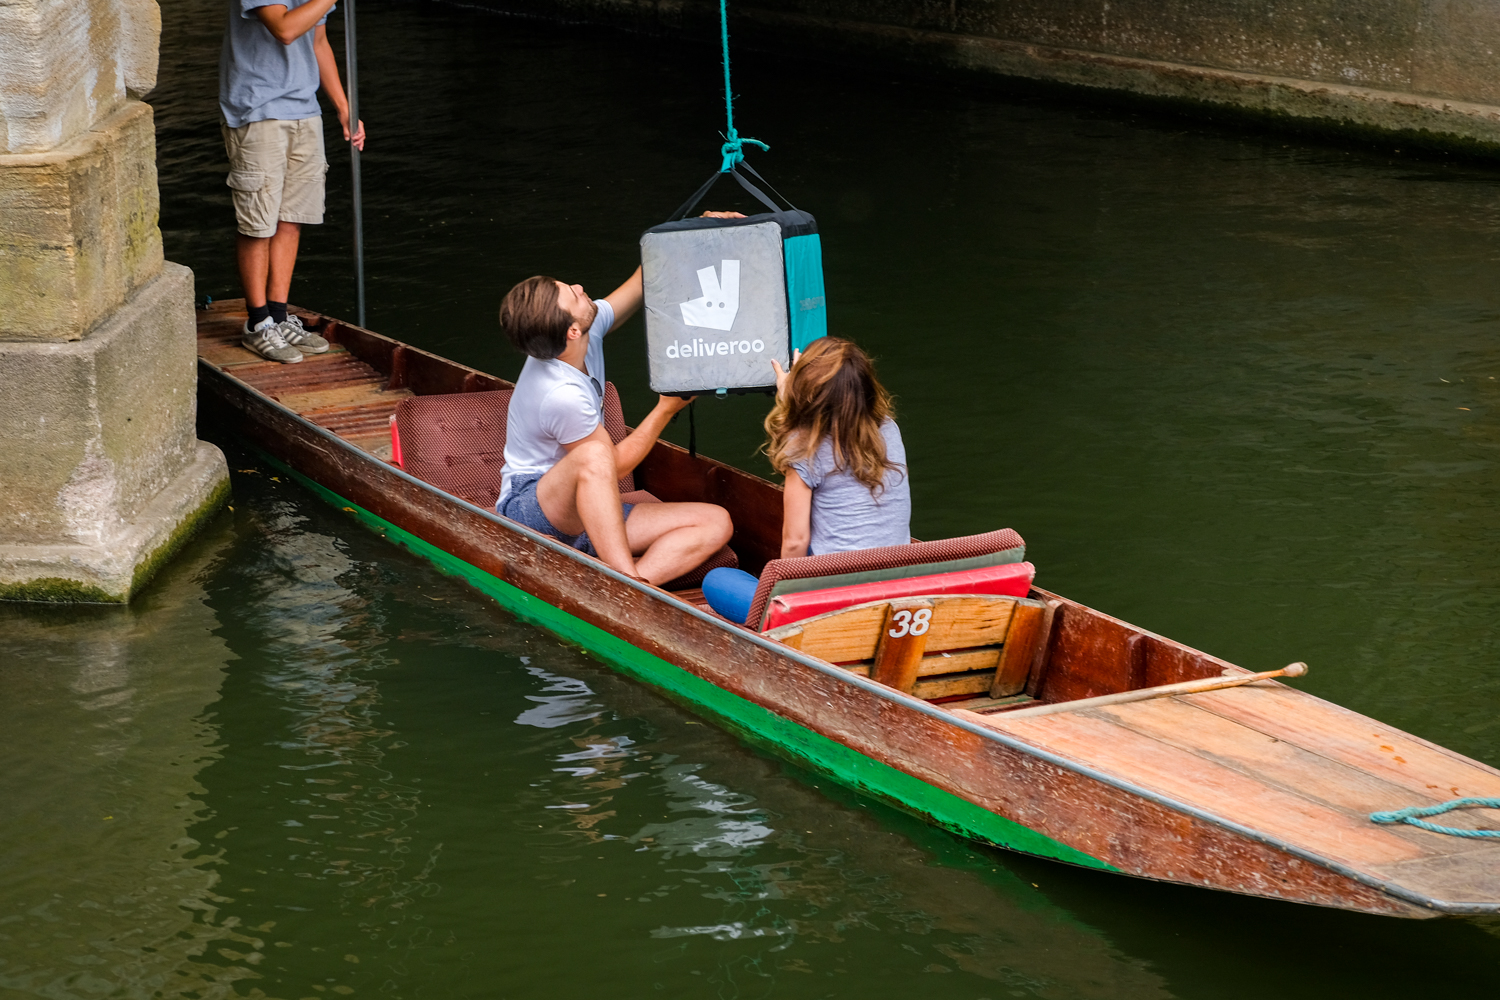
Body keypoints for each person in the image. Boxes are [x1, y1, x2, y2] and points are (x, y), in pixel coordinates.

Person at [495, 267, 734, 585]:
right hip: (534, 511)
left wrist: (697, 229)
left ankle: (624, 588)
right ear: (572, 332)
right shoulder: (560, 394)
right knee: (594, 455)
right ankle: (625, 576)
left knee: (716, 522)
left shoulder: (581, 333)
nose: (580, 286)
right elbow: (612, 466)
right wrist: (664, 410)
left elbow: (641, 282)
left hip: (590, 506)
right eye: (573, 293)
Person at [702, 336, 911, 623]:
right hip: (896, 586)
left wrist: (786, 604)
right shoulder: (888, 428)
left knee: (717, 581)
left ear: (807, 395)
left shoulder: (804, 447)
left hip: (836, 603)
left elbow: (795, 543)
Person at [220, 0, 367, 363]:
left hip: (305, 110)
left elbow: (318, 41)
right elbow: (285, 29)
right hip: (257, 110)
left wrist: (344, 108)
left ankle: (279, 315)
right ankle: (257, 323)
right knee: (259, 223)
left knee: (292, 218)